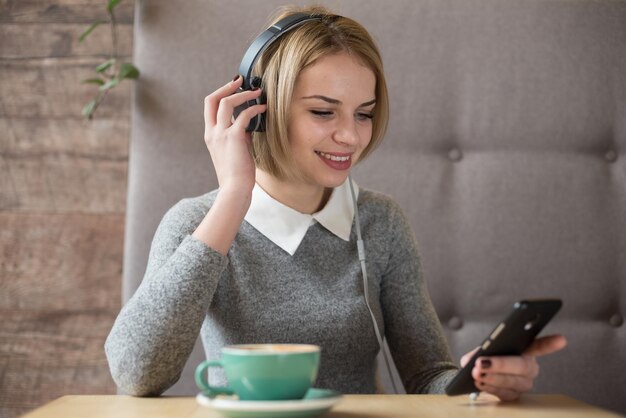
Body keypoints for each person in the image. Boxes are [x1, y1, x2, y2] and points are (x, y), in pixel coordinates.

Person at [105, 5, 566, 400]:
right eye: (323, 111)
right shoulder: (196, 223)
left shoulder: (380, 222)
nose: (350, 136)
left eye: (363, 113)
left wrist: (478, 382)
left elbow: (428, 376)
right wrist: (233, 197)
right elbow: (136, 374)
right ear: (258, 109)